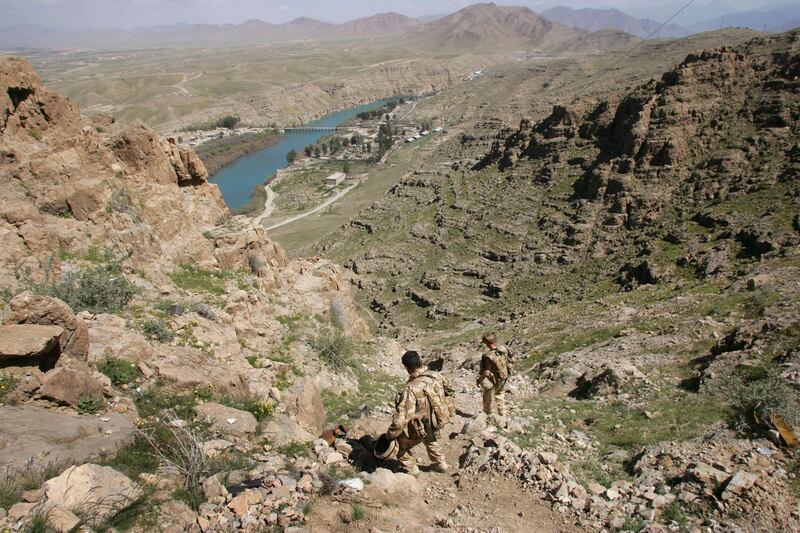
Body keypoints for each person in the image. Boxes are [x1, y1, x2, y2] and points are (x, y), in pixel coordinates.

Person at [385, 350, 450, 476]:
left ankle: (412, 469)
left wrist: (391, 435)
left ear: (407, 368)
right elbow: (449, 390)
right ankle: (440, 463)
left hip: (421, 425)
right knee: (430, 437)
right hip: (437, 419)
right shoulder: (435, 376)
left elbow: (402, 418)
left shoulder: (411, 388)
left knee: (399, 445)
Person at [477, 333, 513, 418]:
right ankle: (503, 416)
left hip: (494, 380)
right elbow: (513, 360)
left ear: (486, 343)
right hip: (504, 377)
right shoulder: (504, 349)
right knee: (500, 396)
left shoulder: (487, 356)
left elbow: (486, 372)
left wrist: (479, 380)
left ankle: (487, 416)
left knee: (487, 397)